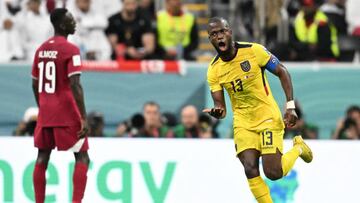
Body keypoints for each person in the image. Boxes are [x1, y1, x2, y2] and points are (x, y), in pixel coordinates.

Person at [204, 17, 313, 203]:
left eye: (222, 31)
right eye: (214, 34)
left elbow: (282, 71)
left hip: (267, 117)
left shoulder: (253, 51)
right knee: (249, 168)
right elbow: (221, 108)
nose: (219, 36)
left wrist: (290, 106)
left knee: (273, 173)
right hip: (243, 122)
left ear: (230, 32)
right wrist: (217, 111)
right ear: (210, 39)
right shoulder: (214, 71)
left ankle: (298, 148)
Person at [31, 8, 90, 203]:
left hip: (46, 112)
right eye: (71, 19)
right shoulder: (71, 50)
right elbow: (75, 84)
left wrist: (43, 107)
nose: (74, 22)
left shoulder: (40, 49)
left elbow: (34, 83)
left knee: (42, 158)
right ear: (62, 25)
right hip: (66, 110)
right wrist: (83, 116)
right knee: (82, 157)